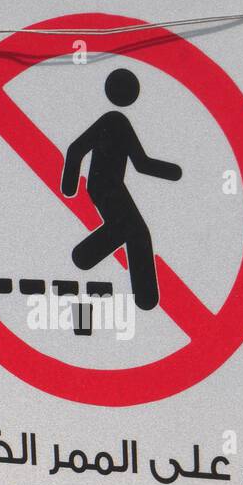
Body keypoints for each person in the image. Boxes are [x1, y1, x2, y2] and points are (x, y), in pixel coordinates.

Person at [60, 69, 182, 311]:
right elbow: (76, 149)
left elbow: (141, 163)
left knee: (130, 230)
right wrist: (69, 187)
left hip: (110, 186)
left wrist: (174, 172)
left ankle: (84, 257)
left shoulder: (119, 122)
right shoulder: (113, 121)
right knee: (136, 231)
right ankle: (143, 295)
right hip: (104, 186)